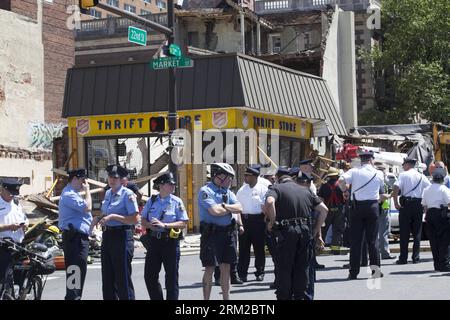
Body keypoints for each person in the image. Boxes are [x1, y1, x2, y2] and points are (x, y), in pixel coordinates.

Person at [265, 172, 327, 300]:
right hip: (305, 231)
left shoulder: (276, 188)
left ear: (277, 179)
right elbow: (324, 209)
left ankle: (285, 296)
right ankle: (300, 296)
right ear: (292, 179)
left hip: (287, 232)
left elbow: (270, 202)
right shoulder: (305, 190)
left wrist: (272, 221)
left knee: (285, 267)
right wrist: (316, 230)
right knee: (302, 266)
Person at [198, 163, 243, 300]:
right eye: (228, 177)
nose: (230, 180)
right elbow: (214, 211)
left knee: (226, 267)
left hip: (227, 233)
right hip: (211, 234)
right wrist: (230, 208)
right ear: (219, 176)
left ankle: (226, 300)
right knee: (210, 268)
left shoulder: (228, 192)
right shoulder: (205, 191)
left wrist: (224, 205)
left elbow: (240, 207)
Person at [141, 172, 188, 300]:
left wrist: (165, 225)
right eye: (170, 184)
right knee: (149, 276)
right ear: (161, 186)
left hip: (170, 242)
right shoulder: (152, 200)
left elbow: (183, 222)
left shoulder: (176, 201)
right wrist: (151, 225)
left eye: (173, 184)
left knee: (171, 278)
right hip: (154, 242)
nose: (173, 186)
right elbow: (143, 220)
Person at [339, 151, 385, 280]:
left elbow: (341, 179)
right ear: (371, 160)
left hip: (357, 207)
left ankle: (353, 272)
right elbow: (381, 189)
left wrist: (345, 191)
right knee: (373, 241)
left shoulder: (354, 171)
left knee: (356, 241)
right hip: (373, 207)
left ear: (361, 160)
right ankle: (375, 272)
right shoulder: (379, 173)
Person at [96, 164, 139, 300]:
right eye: (110, 177)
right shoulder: (108, 193)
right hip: (108, 236)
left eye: (115, 177)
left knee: (122, 279)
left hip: (122, 236)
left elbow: (134, 218)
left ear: (122, 180)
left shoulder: (128, 194)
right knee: (107, 278)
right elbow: (104, 213)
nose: (112, 180)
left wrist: (113, 217)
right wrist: (97, 219)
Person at [58, 168, 92, 300]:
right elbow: (87, 207)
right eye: (82, 180)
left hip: (78, 238)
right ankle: (73, 298)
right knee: (75, 273)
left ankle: (74, 297)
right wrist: (88, 191)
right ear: (75, 179)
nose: (84, 184)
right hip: (74, 239)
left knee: (78, 273)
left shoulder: (74, 193)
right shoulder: (69, 194)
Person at [392, 157, 431, 264]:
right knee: (417, 232)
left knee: (404, 232)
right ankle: (416, 257)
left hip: (406, 205)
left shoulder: (403, 175)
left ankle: (403, 258)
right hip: (418, 205)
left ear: (408, 164)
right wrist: (425, 203)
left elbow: (395, 188)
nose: (403, 167)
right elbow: (429, 188)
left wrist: (395, 202)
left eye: (403, 164)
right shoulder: (421, 176)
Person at [236, 164, 268, 282]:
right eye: (245, 175)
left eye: (247, 176)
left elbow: (267, 206)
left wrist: (265, 220)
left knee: (259, 248)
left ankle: (260, 272)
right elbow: (237, 207)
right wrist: (240, 224)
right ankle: (242, 273)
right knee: (244, 249)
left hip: (259, 220)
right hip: (245, 220)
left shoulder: (263, 189)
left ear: (254, 176)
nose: (245, 177)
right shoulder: (241, 190)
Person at [0, 179, 28, 297]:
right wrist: (9, 227)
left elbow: (24, 218)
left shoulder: (16, 203)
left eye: (14, 194)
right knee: (5, 278)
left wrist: (25, 224)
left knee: (20, 276)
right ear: (2, 189)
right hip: (4, 246)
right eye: (10, 193)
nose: (12, 196)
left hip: (18, 246)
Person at [421, 168, 450, 271]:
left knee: (433, 241)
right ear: (442, 179)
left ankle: (437, 265)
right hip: (441, 215)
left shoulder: (427, 189)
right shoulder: (444, 189)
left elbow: (424, 205)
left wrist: (427, 215)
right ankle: (444, 264)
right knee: (444, 240)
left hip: (430, 215)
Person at [318, 167, 345, 254]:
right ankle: (336, 249)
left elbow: (320, 199)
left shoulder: (324, 185)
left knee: (324, 229)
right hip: (339, 210)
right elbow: (345, 197)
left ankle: (320, 247)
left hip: (327, 209)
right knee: (337, 229)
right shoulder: (341, 185)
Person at [376, 165, 396, 260]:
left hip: (382, 208)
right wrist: (390, 195)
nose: (385, 174)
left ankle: (377, 252)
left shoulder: (383, 183)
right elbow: (382, 196)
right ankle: (384, 253)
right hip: (381, 209)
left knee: (380, 232)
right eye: (384, 172)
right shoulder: (381, 183)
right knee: (383, 232)